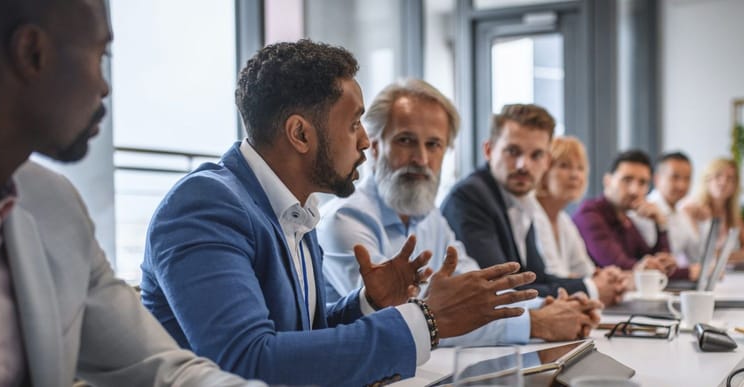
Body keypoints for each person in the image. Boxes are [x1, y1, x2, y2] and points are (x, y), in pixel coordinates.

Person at [140, 40, 537, 387]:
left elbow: (302, 337)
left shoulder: (297, 206)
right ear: (300, 134)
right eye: (354, 123)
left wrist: (365, 302)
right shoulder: (205, 205)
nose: (366, 141)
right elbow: (247, 362)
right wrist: (426, 319)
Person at [0, 0, 266, 386]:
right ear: (31, 53)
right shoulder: (208, 204)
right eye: (100, 54)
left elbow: (164, 371)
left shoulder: (56, 206)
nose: (103, 86)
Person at [319, 80, 600, 345]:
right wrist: (535, 322)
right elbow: (398, 321)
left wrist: (553, 307)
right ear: (377, 147)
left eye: (433, 144)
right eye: (405, 140)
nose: (421, 159)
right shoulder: (346, 219)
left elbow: (477, 291)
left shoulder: (430, 216)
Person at [441, 104, 625, 306]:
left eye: (536, 155)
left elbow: (535, 277)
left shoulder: (523, 200)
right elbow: (503, 288)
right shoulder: (470, 197)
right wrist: (591, 288)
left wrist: (590, 283)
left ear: (547, 161)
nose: (523, 165)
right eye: (513, 151)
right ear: (489, 150)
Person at [533, 136, 627, 304]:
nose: (575, 175)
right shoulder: (532, 214)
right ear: (543, 170)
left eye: (580, 168)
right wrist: (595, 283)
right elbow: (552, 277)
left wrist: (606, 277)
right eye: (564, 166)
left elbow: (585, 270)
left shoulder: (563, 220)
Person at [572, 150, 682, 278]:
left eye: (642, 183)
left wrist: (661, 225)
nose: (634, 190)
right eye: (627, 180)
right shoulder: (589, 215)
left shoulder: (626, 220)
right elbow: (618, 264)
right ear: (608, 181)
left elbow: (655, 263)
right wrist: (687, 272)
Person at [632, 152, 703, 278]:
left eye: (687, 178)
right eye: (675, 177)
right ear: (657, 179)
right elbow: (656, 262)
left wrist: (697, 222)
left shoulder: (681, 213)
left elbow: (697, 256)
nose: (682, 185)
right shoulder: (644, 213)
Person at [682, 158, 744, 263]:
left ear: (735, 186)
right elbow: (697, 253)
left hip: (724, 275)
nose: (723, 182)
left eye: (730, 178)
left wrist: (722, 256)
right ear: (707, 180)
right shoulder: (692, 210)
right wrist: (731, 256)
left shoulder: (732, 216)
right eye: (718, 176)